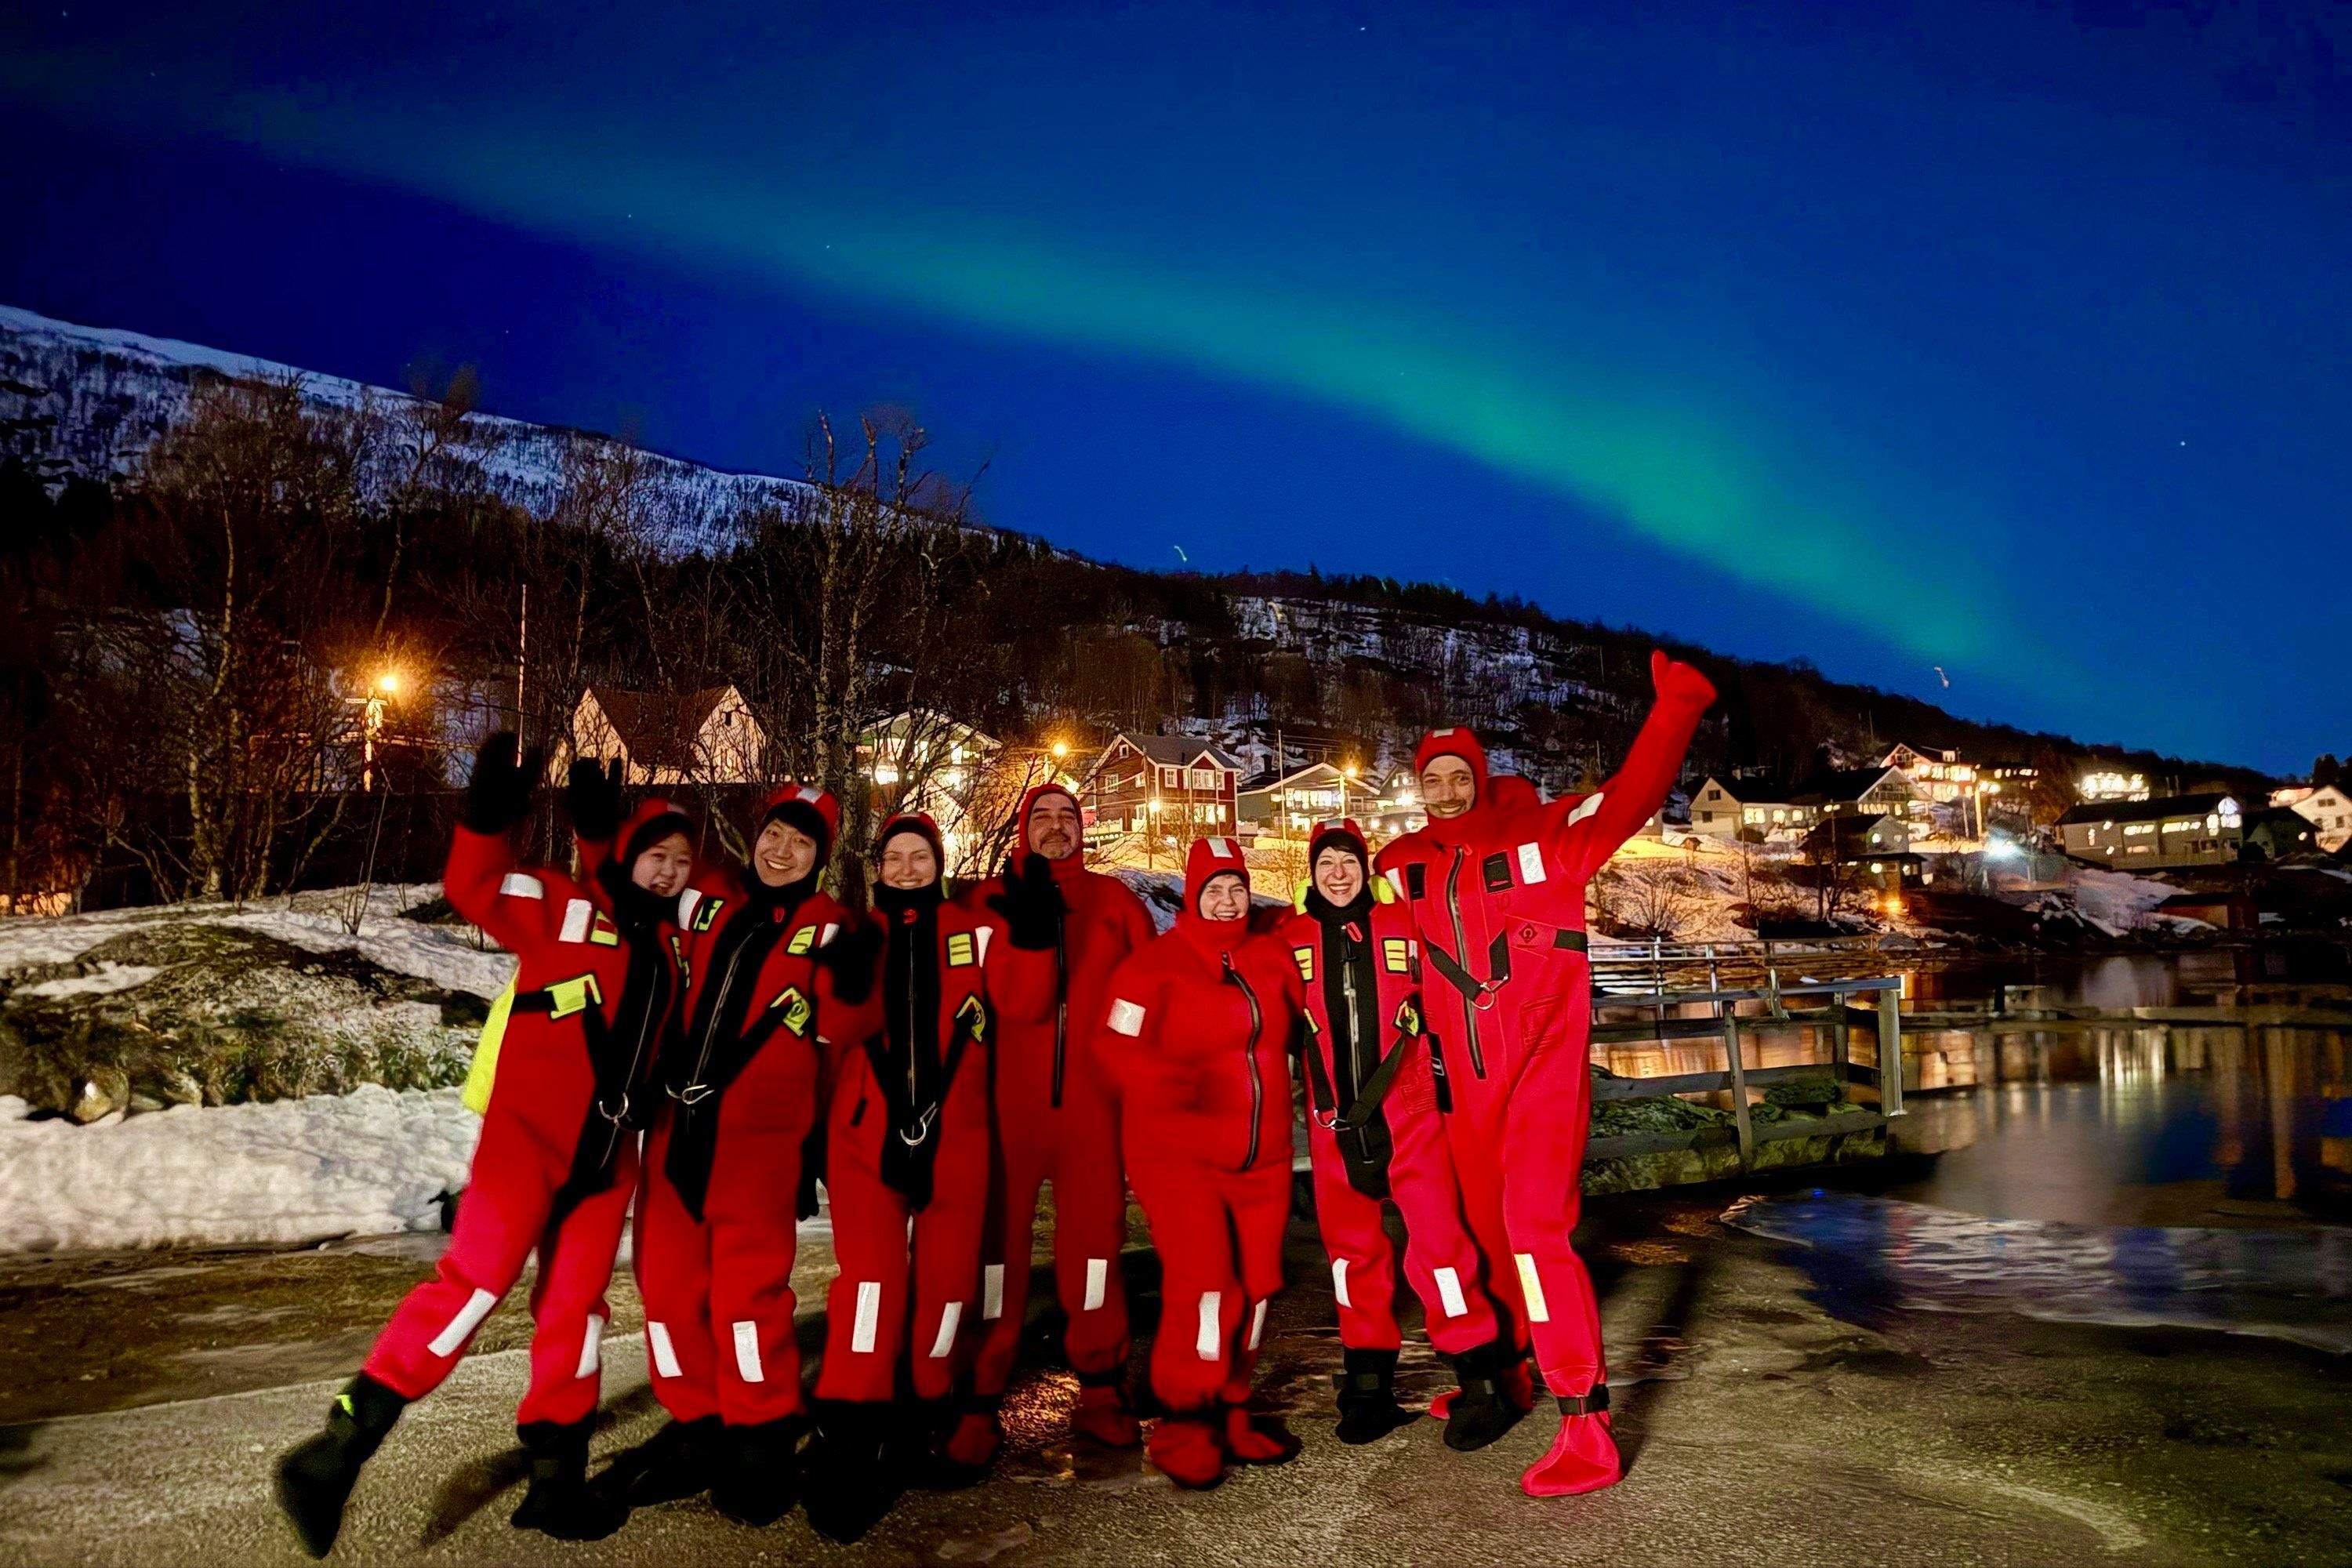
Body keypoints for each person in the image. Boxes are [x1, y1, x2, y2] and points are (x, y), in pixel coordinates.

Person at [274, 734, 686, 1556]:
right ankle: (336, 1449)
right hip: (526, 1147)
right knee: (472, 1287)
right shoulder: (567, 906)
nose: (669, 868)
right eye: (656, 852)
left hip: (609, 1165)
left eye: (681, 858)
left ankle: (554, 1483)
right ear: (629, 854)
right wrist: (488, 811)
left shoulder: (678, 949)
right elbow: (471, 883)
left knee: (576, 1312)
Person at [1376, 650, 1715, 1497]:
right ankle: (1512, 1373)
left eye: (1460, 774)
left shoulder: (1544, 837)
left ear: (1481, 778)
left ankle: (1585, 1422)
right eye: (1434, 778)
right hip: (1457, 1087)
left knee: (1533, 1230)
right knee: (1486, 1237)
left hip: (1539, 1075)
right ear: (1419, 787)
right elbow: (1349, 952)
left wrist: (1675, 709)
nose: (1447, 789)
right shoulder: (1400, 864)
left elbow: (1633, 796)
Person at [601, 780, 857, 1528]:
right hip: (677, 1126)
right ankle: (697, 1421)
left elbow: (843, 1037)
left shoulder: (830, 926)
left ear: (821, 858)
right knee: (666, 1284)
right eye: (777, 833)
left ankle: (759, 1433)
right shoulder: (705, 895)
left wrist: (819, 1143)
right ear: (757, 833)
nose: (783, 851)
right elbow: (637, 900)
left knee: (748, 1297)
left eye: (803, 843)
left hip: (763, 1145)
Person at [800, 812, 1047, 1539]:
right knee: (872, 1288)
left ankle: (923, 1411)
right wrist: (843, 986)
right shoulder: (858, 936)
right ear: (877, 869)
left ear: (939, 863)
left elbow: (1026, 1004)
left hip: (957, 1138)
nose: (907, 869)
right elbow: (833, 1034)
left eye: (920, 857)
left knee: (945, 1288)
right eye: (894, 859)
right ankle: (849, 1432)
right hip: (864, 1137)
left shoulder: (976, 931)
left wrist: (1031, 935)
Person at [1275, 818, 1501, 1445]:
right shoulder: (1286, 937)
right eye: (1327, 863)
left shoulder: (1404, 924)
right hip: (1332, 1125)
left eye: (1348, 860)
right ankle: (1367, 1394)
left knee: (1441, 1250)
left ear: (1365, 867)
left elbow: (1455, 987)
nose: (1339, 873)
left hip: (1410, 1114)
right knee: (1352, 1261)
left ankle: (1482, 1384)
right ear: (1311, 872)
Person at [951, 783, 1156, 1469]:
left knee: (1095, 1248)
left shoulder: (1117, 904)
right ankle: (978, 1396)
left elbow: (1148, 998)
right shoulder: (985, 904)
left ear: (1083, 827)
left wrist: (1129, 1079)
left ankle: (1100, 1387)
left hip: (1092, 1114)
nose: (1055, 827)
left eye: (1067, 817)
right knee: (993, 1255)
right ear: (1020, 829)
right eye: (1041, 817)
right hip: (1006, 1110)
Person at [1098, 836, 1303, 1490]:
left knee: (1261, 1286)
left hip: (1264, 1159)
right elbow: (1111, 1046)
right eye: (1212, 888)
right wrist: (1165, 1083)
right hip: (1178, 1158)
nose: (1225, 898)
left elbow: (1310, 1014)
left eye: (1235, 887)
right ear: (1191, 894)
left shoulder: (1271, 959)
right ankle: (1186, 1419)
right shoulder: (1151, 967)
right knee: (1208, 1287)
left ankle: (1232, 1407)